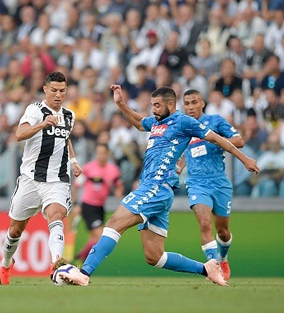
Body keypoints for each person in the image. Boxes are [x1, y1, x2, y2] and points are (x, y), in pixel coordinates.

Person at [65, 85, 259, 287]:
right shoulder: (157, 123)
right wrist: (121, 104)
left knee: (114, 223)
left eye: (157, 105)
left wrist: (245, 159)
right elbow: (140, 123)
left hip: (156, 187)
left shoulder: (183, 121)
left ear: (171, 104)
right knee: (154, 256)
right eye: (152, 105)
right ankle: (207, 268)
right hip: (158, 190)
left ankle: (84, 273)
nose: (154, 110)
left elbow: (218, 139)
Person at [0, 71, 82, 285]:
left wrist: (73, 162)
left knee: (56, 215)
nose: (58, 95)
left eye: (62, 91)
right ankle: (7, 263)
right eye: (54, 90)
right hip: (30, 179)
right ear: (45, 89)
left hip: (57, 179)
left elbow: (66, 139)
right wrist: (43, 124)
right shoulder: (35, 110)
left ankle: (57, 263)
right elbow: (19, 134)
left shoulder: (69, 116)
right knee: (15, 230)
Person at [177, 89, 244, 281]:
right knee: (205, 224)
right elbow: (186, 150)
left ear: (202, 103)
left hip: (220, 182)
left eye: (194, 102)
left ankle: (223, 258)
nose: (190, 107)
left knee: (222, 231)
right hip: (197, 183)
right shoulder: (183, 126)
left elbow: (239, 140)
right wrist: (180, 165)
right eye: (187, 103)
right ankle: (214, 267)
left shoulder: (215, 121)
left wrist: (215, 142)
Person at [72, 143, 124, 262]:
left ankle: (81, 258)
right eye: (98, 153)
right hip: (88, 206)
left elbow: (118, 185)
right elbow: (76, 186)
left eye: (102, 153)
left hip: (101, 207)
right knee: (99, 235)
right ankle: (82, 256)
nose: (100, 155)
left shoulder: (113, 169)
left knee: (95, 237)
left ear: (107, 154)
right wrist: (75, 204)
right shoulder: (88, 168)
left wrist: (118, 192)